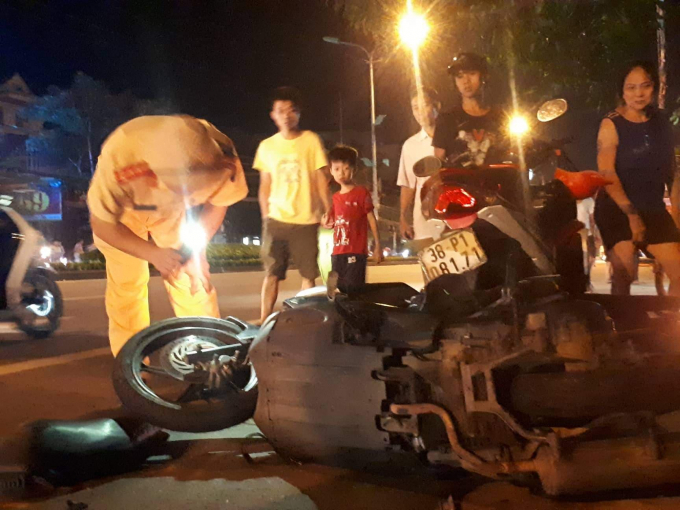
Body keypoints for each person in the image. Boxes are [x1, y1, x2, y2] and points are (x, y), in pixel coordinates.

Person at [87, 115, 248, 356]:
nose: (192, 201)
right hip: (123, 217)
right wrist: (153, 254)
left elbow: (219, 202)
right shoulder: (121, 155)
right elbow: (103, 225)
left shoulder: (219, 151)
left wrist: (195, 251)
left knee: (191, 277)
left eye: (196, 194)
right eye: (187, 193)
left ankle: (210, 351)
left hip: (169, 213)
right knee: (127, 285)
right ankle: (129, 359)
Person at [594, 60, 680, 296]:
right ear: (622, 91)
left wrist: (676, 217)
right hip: (618, 208)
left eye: (645, 86)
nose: (638, 94)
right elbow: (607, 174)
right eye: (631, 88)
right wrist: (632, 216)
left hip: (652, 208)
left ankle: (668, 316)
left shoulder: (661, 123)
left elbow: (673, 173)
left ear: (654, 87)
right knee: (625, 273)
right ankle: (621, 319)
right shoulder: (611, 124)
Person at [255, 87, 331, 322]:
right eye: (281, 111)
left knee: (308, 275)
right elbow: (264, 185)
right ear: (273, 115)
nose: (286, 116)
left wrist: (328, 208)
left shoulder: (311, 140)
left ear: (298, 113)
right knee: (272, 273)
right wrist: (266, 216)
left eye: (292, 110)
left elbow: (320, 178)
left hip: (306, 219)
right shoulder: (266, 146)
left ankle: (304, 321)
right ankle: (264, 319)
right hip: (276, 219)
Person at [322, 146, 382, 293]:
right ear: (331, 171)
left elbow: (371, 219)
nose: (341, 173)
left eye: (346, 168)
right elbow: (333, 221)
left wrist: (378, 246)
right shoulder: (335, 198)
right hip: (337, 253)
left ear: (354, 170)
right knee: (336, 289)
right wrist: (325, 222)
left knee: (354, 289)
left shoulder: (361, 193)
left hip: (356, 252)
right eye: (336, 169)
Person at [433, 53, 504, 166]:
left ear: (483, 77)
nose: (466, 81)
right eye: (460, 76)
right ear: (454, 82)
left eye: (472, 73)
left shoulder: (500, 116)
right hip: (458, 178)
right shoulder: (447, 119)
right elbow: (438, 163)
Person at [398, 87, 445, 241]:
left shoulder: (455, 137)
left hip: (455, 220)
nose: (420, 112)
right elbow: (407, 185)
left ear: (437, 106)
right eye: (415, 108)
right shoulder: (410, 145)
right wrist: (403, 217)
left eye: (425, 105)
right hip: (424, 224)